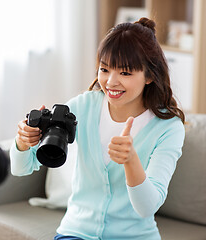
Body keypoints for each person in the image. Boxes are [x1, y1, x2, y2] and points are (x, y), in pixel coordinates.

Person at [9, 17, 185, 240]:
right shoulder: (82, 107)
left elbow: (147, 207)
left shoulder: (168, 128)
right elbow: (21, 169)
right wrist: (23, 142)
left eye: (125, 73)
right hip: (76, 232)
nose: (111, 82)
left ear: (149, 75)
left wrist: (131, 161)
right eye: (104, 69)